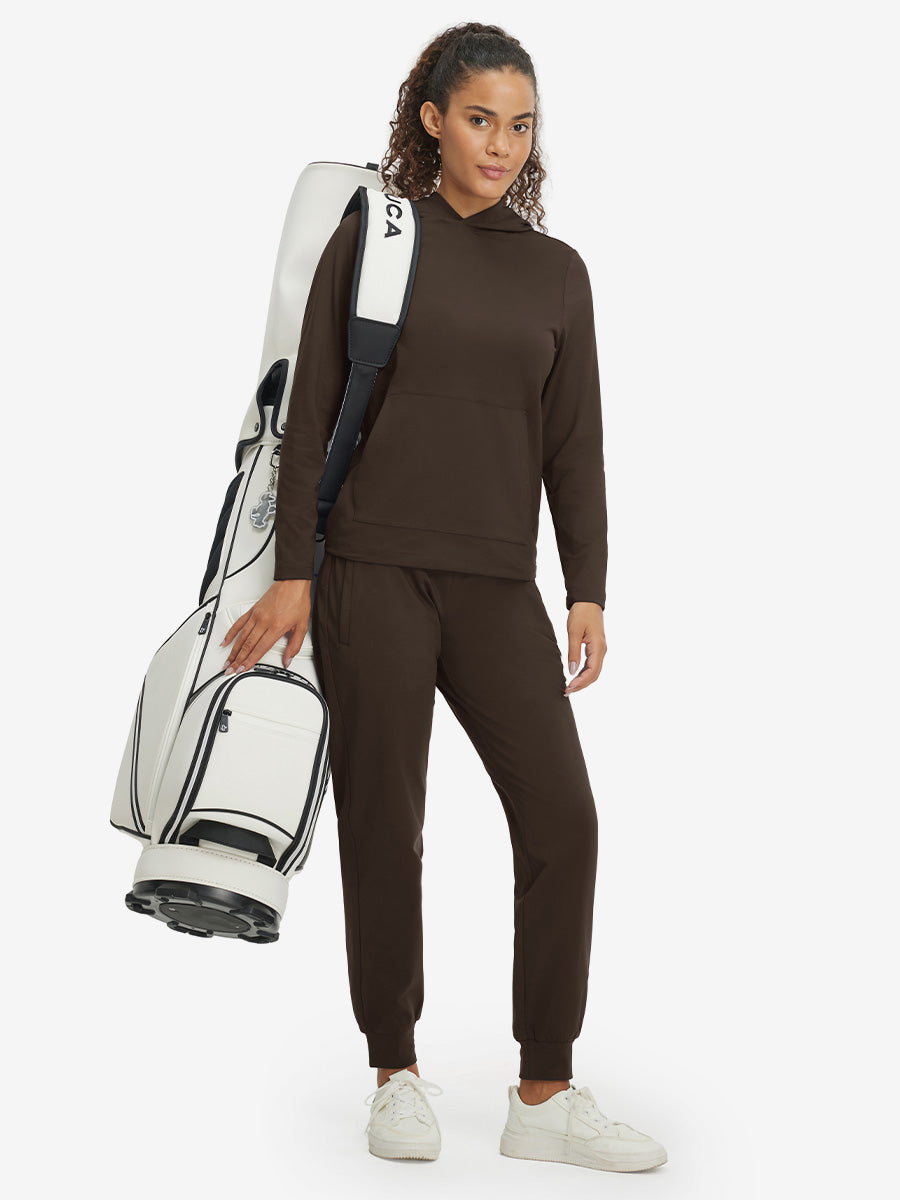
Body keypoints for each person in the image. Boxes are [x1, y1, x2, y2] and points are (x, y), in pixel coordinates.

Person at [220, 22, 666, 1173]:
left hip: (497, 582)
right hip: (372, 571)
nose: (501, 145)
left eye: (521, 126)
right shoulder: (376, 237)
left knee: (563, 819)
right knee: (386, 822)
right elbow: (310, 413)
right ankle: (395, 1072)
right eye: (479, 120)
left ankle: (544, 1091)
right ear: (431, 119)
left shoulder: (557, 273)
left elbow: (575, 440)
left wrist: (588, 586)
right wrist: (295, 577)